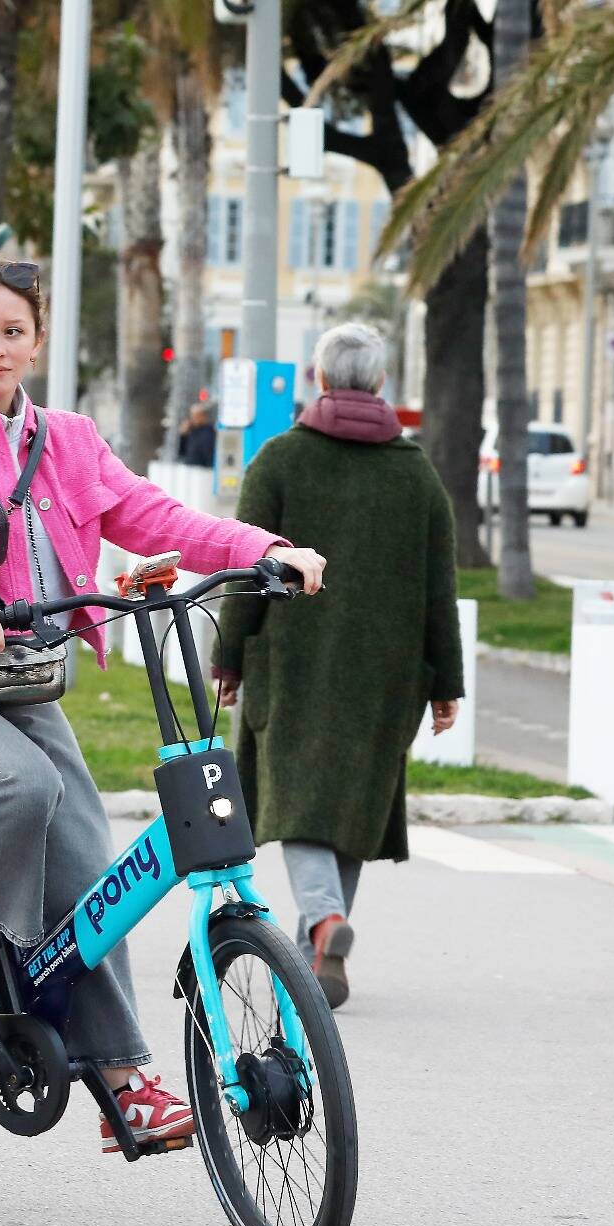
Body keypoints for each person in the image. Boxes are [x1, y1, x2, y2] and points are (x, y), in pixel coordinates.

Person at [0, 256, 325, 1155]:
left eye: (12, 331)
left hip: (17, 681)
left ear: (37, 342)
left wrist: (266, 548)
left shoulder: (66, 440)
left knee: (92, 872)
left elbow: (160, 520)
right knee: (19, 785)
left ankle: (120, 1081)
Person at [213, 322, 462, 1010]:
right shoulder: (416, 474)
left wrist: (229, 658)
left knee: (298, 805)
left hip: (291, 665)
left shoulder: (280, 459)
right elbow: (439, 587)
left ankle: (323, 921)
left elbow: (250, 568)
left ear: (319, 379)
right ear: (380, 382)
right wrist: (446, 682)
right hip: (387, 673)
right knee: (351, 808)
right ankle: (316, 962)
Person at [177, 403, 217, 468]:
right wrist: (183, 436)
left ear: (203, 416)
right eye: (192, 416)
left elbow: (209, 454)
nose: (193, 418)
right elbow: (182, 453)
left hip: (204, 469)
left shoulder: (209, 432)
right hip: (191, 468)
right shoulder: (191, 431)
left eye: (196, 416)